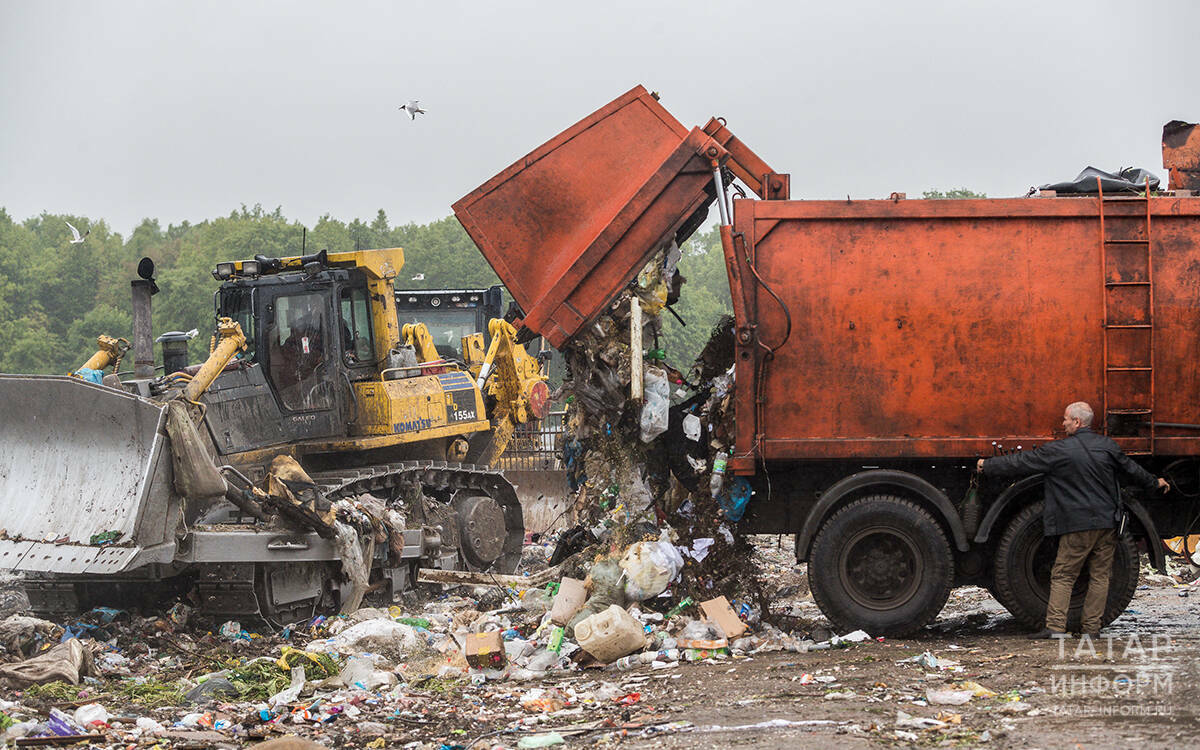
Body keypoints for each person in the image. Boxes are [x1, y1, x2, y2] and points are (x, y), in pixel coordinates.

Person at [977, 401, 1169, 639]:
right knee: (1100, 576)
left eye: (1066, 419)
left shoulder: (1060, 450)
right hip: (1108, 523)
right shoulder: (1107, 446)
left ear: (1077, 422)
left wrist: (988, 465)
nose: (1063, 423)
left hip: (1078, 524)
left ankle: (1056, 627)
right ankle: (1091, 629)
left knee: (1063, 574)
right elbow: (1133, 471)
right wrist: (1155, 482)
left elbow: (1021, 462)